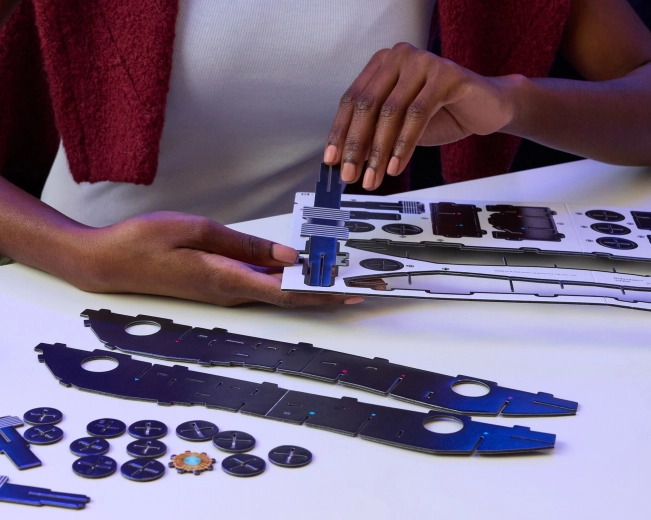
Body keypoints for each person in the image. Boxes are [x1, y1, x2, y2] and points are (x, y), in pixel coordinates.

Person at [1, 0, 650, 308]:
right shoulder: (82, 261)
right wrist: (80, 254)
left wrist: (512, 98)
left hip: (311, 295)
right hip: (75, 283)